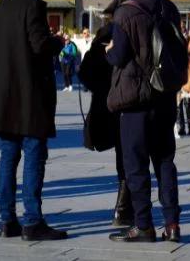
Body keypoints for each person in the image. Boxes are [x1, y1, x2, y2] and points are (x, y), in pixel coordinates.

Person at [0, 0, 67, 241]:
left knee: (8, 156)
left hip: (4, 96)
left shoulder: (1, 5)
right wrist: (57, 42)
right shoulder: (32, 5)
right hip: (28, 96)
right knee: (34, 155)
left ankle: (7, 219)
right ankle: (33, 221)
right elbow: (39, 46)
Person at [104, 0, 182, 243]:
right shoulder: (167, 6)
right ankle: (172, 224)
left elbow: (120, 56)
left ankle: (143, 225)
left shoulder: (125, 12)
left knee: (135, 164)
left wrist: (109, 49)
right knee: (164, 161)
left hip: (135, 99)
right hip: (164, 95)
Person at [78, 23, 130, 227]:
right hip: (123, 107)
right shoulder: (120, 46)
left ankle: (123, 207)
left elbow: (83, 73)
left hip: (104, 108)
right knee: (126, 158)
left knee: (123, 157)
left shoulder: (96, 49)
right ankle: (123, 208)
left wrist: (99, 89)